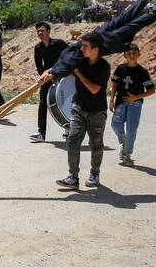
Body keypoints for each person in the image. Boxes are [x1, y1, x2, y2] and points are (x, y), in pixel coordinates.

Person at [44, 31, 111, 189]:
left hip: (96, 111)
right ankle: (73, 177)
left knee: (96, 144)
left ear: (95, 49)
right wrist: (50, 72)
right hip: (79, 107)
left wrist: (78, 74)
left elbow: (95, 89)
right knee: (73, 140)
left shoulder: (103, 66)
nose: (81, 48)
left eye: (85, 46)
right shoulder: (79, 61)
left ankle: (94, 174)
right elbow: (62, 67)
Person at [109, 43, 155, 167]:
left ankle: (127, 153)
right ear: (124, 55)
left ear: (139, 54)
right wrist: (112, 100)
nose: (132, 55)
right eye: (129, 53)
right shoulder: (120, 68)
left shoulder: (142, 71)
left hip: (135, 104)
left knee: (131, 128)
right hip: (121, 102)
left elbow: (152, 90)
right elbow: (114, 84)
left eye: (134, 53)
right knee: (115, 124)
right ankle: (125, 142)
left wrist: (135, 97)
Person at [30, 22, 68, 143]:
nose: (40, 33)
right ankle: (41, 133)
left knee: (64, 103)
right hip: (47, 79)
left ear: (48, 31)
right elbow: (39, 66)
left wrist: (57, 73)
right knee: (42, 103)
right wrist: (45, 76)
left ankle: (69, 128)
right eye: (38, 31)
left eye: (42, 31)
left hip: (61, 78)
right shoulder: (38, 48)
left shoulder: (59, 44)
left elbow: (68, 56)